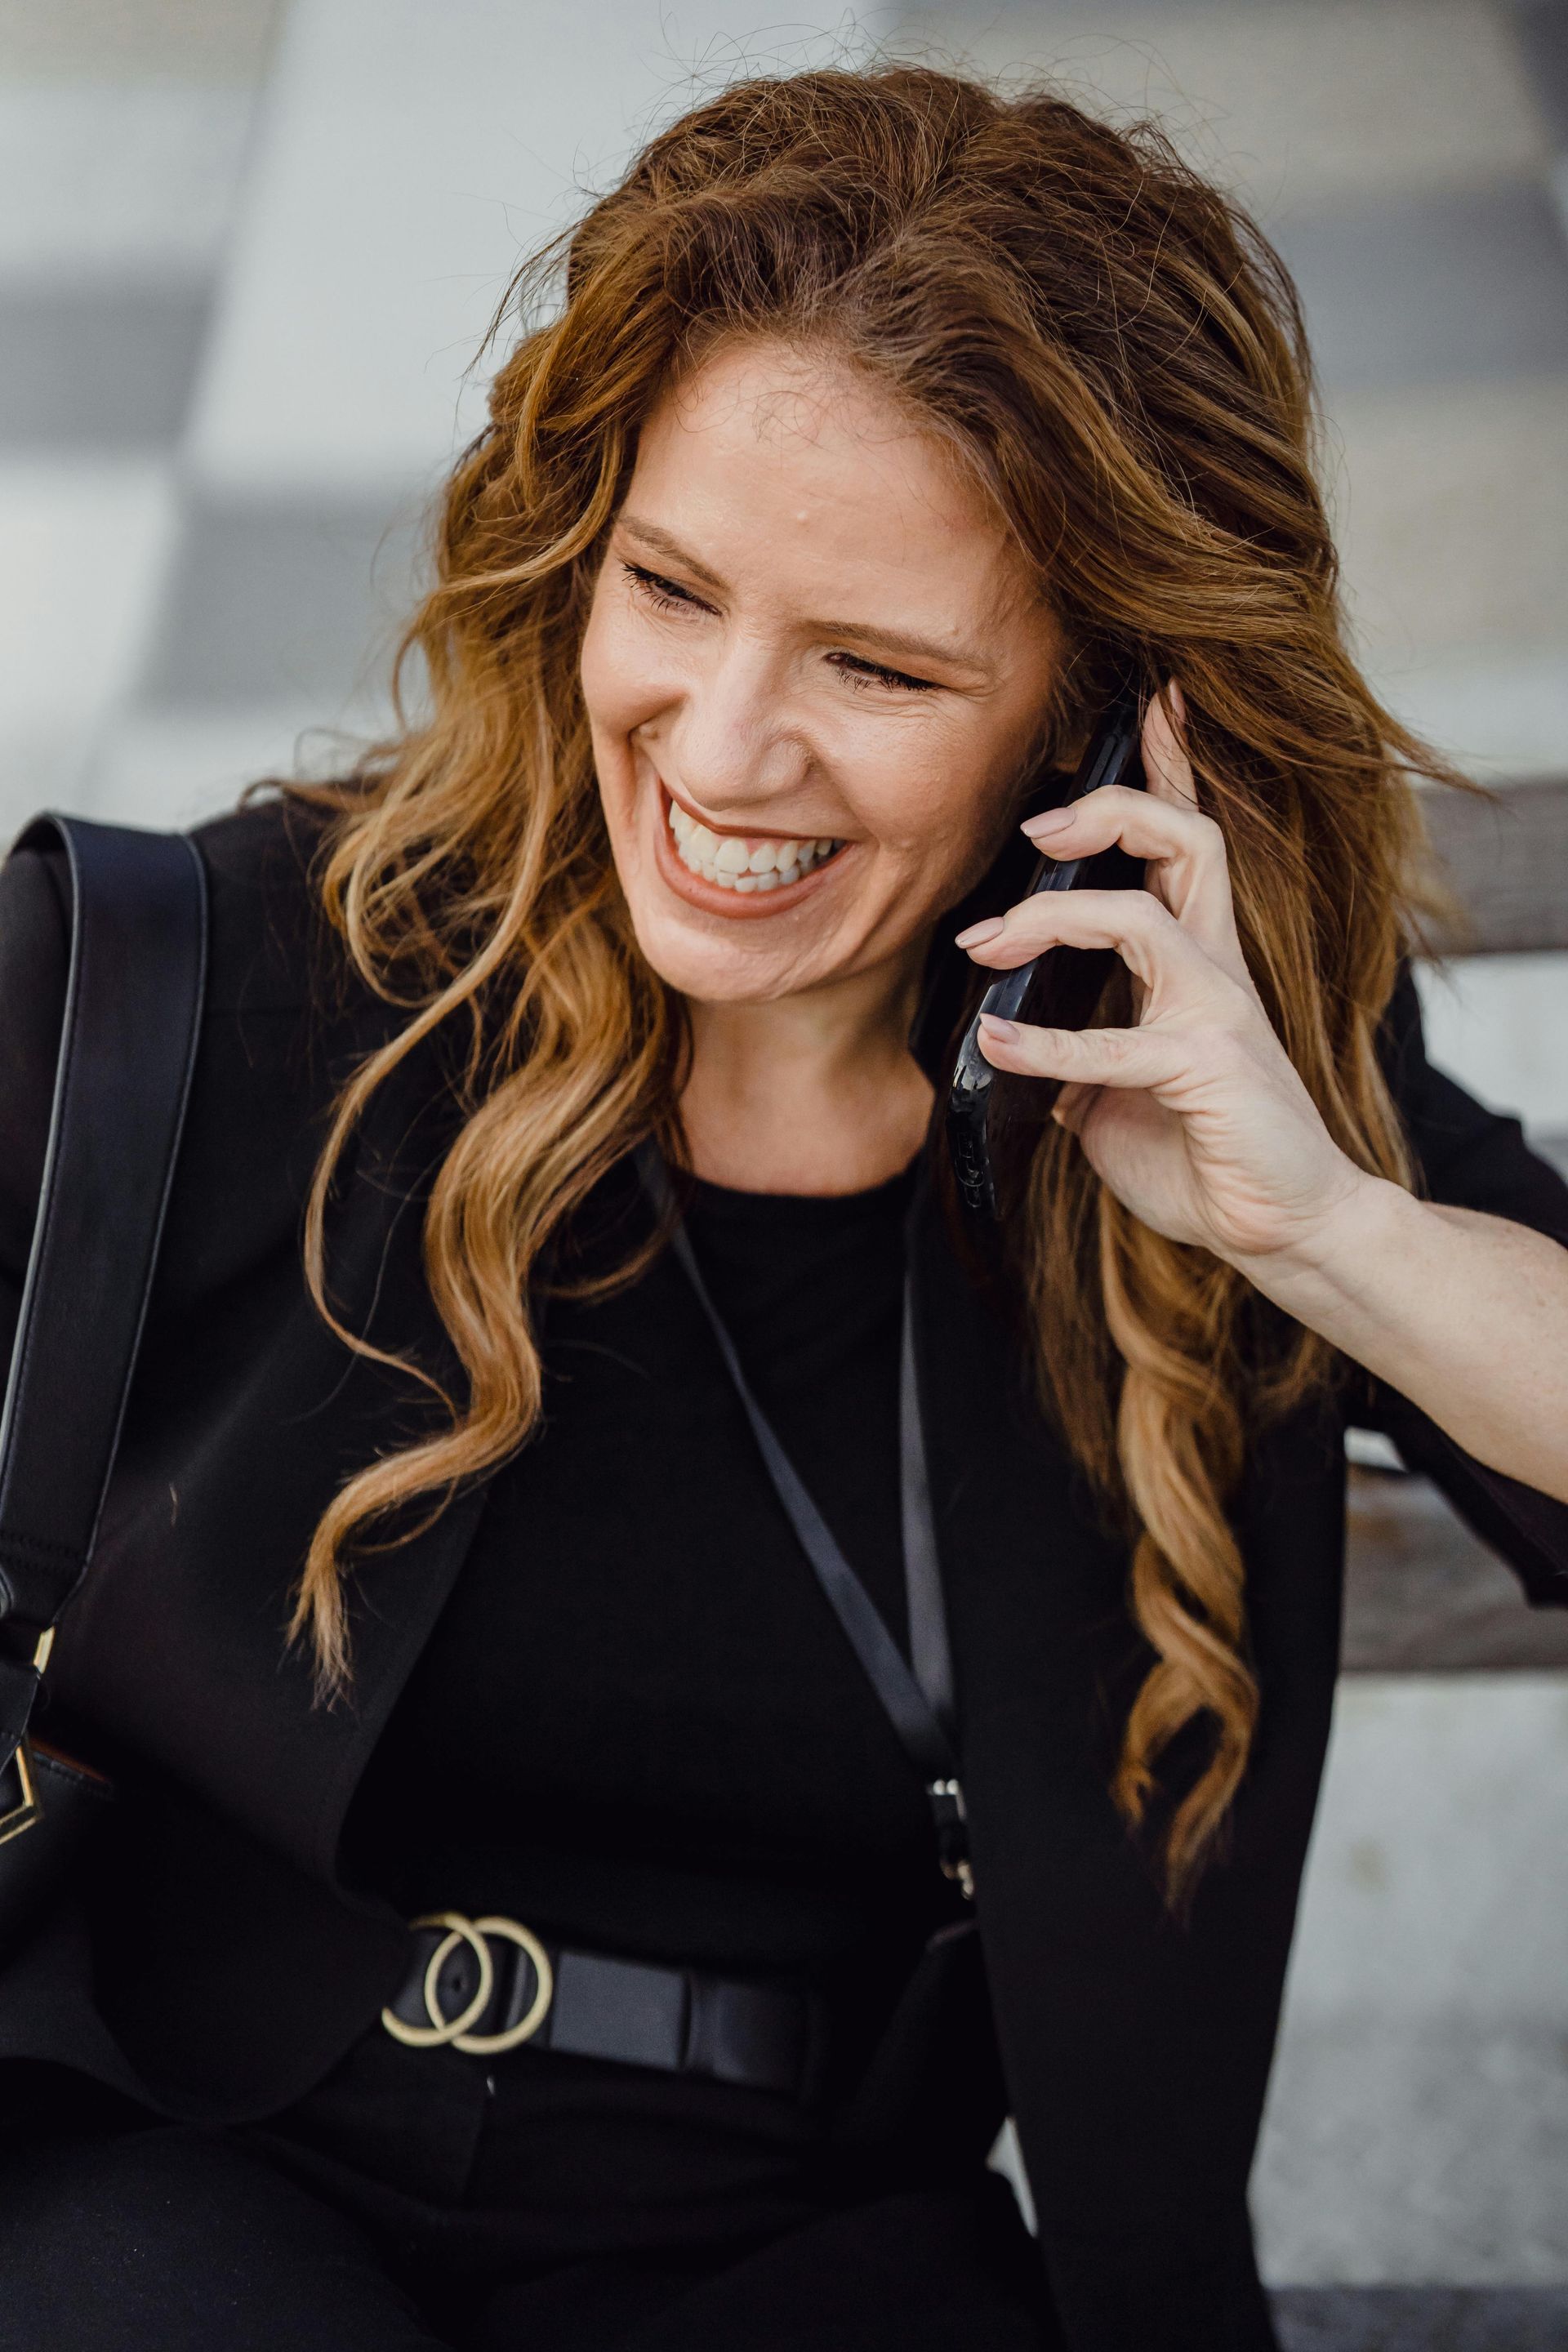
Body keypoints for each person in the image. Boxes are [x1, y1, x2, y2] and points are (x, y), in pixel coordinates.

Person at [0, 64, 1565, 2352]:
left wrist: (1327, 1225)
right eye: (671, 587)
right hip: (194, 2167)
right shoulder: (214, 979)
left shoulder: (1191, 1066)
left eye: (875, 665)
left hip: (813, 2245)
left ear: (1097, 713)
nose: (723, 748)